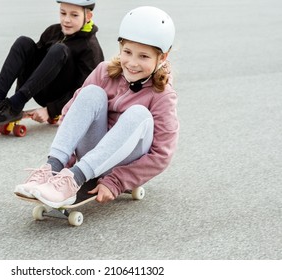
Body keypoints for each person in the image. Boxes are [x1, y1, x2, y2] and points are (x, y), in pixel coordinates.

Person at [14, 6, 179, 208]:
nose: (132, 63)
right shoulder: (104, 72)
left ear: (162, 58)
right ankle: (53, 168)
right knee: (91, 93)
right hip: (89, 155)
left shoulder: (162, 95)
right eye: (128, 52)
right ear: (120, 48)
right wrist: (66, 162)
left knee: (139, 114)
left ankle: (74, 180)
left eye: (143, 56)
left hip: (123, 163)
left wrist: (117, 181)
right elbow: (71, 113)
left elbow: (161, 154)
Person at [0, 0, 104, 125]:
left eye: (74, 15)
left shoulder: (90, 49)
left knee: (59, 50)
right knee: (23, 42)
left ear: (88, 17)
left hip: (61, 99)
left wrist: (51, 110)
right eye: (63, 13)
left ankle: (15, 104)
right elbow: (31, 64)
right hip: (38, 89)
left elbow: (85, 92)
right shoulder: (53, 31)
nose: (66, 20)